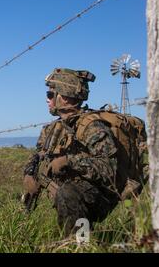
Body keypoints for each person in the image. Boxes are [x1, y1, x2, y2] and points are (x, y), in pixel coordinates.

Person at [22, 68, 122, 235]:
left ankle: (79, 245)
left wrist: (69, 161)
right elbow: (40, 154)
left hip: (99, 196)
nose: (47, 100)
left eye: (50, 94)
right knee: (67, 192)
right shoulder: (52, 129)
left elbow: (110, 168)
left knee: (69, 193)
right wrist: (29, 172)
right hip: (69, 193)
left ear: (65, 97)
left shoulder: (92, 127)